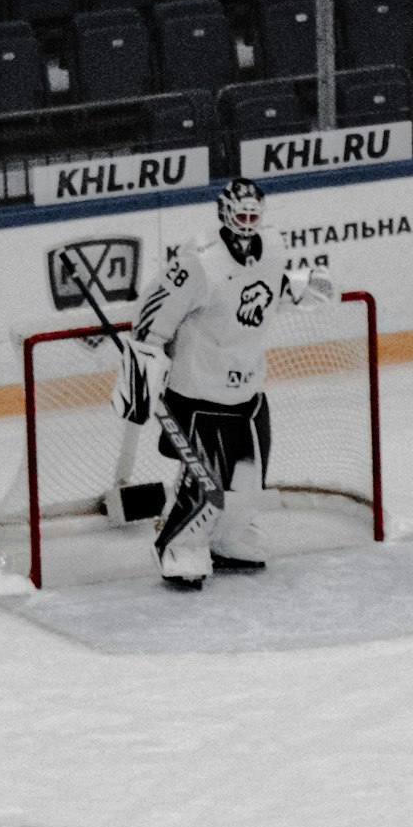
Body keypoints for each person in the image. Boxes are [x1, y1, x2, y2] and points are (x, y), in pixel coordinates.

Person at [105, 186, 311, 601]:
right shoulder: (199, 260)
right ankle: (178, 545)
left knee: (249, 484)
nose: (248, 225)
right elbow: (151, 311)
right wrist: (146, 360)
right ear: (224, 214)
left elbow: (266, 288)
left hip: (249, 386)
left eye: (255, 216)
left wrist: (298, 288)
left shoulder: (273, 245)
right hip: (199, 390)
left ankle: (227, 539)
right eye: (241, 216)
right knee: (204, 484)